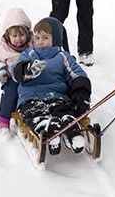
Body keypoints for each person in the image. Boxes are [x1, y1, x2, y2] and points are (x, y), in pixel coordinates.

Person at [11, 17, 92, 155]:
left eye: (45, 37)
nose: (40, 42)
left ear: (56, 38)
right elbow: (15, 71)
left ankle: (70, 129)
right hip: (30, 96)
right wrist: (26, 69)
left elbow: (77, 74)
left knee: (63, 109)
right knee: (34, 112)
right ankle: (46, 127)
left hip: (57, 96)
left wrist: (81, 92)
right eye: (37, 38)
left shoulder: (62, 56)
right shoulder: (29, 54)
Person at [0, 8, 34, 131]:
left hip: (31, 75)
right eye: (14, 35)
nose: (18, 39)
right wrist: (2, 71)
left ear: (28, 33)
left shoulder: (33, 43)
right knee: (10, 92)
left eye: (21, 35)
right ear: (8, 35)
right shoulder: (2, 48)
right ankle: (4, 119)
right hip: (13, 77)